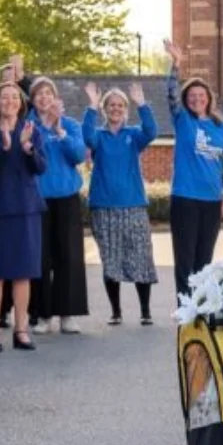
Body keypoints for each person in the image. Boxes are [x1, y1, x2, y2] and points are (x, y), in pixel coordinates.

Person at [0, 79, 46, 353]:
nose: (10, 102)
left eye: (14, 98)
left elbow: (41, 167)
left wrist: (28, 148)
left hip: (26, 208)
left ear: (21, 102)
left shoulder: (31, 130)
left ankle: (21, 329)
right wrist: (3, 148)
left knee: (23, 273)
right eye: (4, 98)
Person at [82, 83, 159, 326]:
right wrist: (92, 106)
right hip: (103, 207)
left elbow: (152, 131)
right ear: (105, 109)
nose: (115, 109)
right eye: (111, 105)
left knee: (140, 258)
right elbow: (86, 136)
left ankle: (145, 311)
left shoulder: (134, 136)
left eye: (120, 105)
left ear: (125, 110)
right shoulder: (99, 136)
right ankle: (116, 311)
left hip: (133, 205)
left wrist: (142, 104)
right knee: (110, 260)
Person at [163, 47, 223, 304]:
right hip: (185, 198)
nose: (196, 99)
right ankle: (185, 309)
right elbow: (170, 94)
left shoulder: (219, 126)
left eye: (200, 95)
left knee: (204, 259)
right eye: (191, 96)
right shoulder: (182, 120)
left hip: (211, 200)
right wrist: (176, 64)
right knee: (185, 258)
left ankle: (201, 307)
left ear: (208, 98)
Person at [28, 77, 90, 334]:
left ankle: (68, 313)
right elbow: (27, 156)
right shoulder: (28, 125)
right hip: (37, 199)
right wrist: (43, 128)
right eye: (39, 94)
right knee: (41, 258)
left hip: (66, 198)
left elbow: (78, 155)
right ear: (32, 100)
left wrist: (60, 132)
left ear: (55, 98)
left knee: (69, 257)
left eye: (48, 93)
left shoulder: (71, 125)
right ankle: (42, 315)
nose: (44, 98)